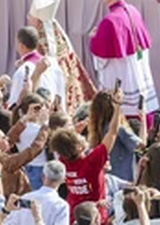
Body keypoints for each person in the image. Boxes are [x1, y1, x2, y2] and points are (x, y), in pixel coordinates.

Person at [89, 0, 160, 122]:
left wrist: (95, 37)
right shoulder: (132, 10)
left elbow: (101, 59)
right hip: (136, 68)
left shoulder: (109, 21)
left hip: (121, 73)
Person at [48, 87, 125, 223]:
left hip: (73, 215)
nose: (82, 137)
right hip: (95, 216)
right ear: (78, 147)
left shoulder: (63, 161)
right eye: (79, 138)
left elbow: (64, 145)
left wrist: (72, 134)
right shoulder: (92, 162)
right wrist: (117, 106)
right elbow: (112, 133)